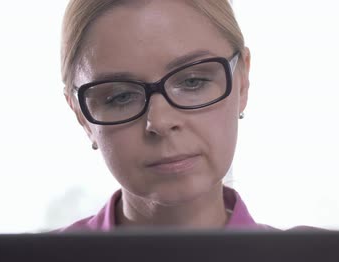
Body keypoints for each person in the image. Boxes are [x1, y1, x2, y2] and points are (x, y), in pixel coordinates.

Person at [59, 0, 271, 231]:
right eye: (121, 97)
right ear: (81, 116)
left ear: (242, 83)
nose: (160, 122)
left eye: (193, 82)